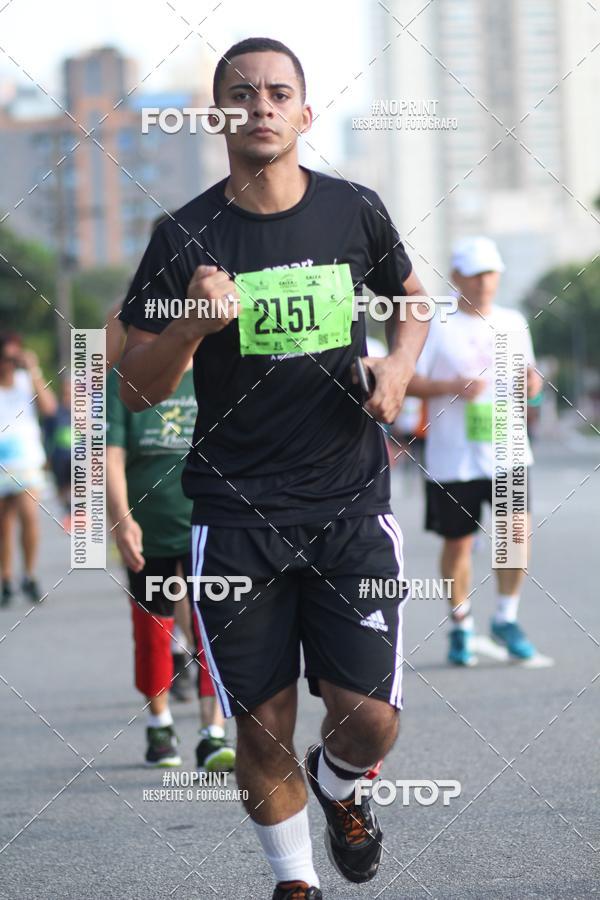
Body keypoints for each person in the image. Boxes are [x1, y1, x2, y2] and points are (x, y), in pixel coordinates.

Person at [118, 37, 428, 900]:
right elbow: (137, 388)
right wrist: (190, 328)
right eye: (242, 93)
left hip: (350, 506)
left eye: (278, 92)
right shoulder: (184, 235)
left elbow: (411, 302)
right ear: (218, 114)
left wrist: (398, 369)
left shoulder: (352, 210)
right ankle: (296, 884)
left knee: (368, 721)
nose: (260, 105)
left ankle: (339, 787)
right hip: (237, 517)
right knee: (261, 728)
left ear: (304, 112)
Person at [407, 236, 544, 666]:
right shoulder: (436, 323)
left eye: (491, 273)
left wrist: (534, 386)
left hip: (507, 448)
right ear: (456, 276)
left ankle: (506, 617)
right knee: (458, 545)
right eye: (476, 274)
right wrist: (451, 387)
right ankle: (461, 623)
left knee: (514, 537)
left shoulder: (513, 321)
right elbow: (407, 380)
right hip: (453, 457)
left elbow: (530, 376)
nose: (485, 282)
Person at [106, 358, 235, 770]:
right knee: (153, 632)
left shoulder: (219, 370)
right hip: (149, 529)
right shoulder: (127, 379)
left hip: (208, 524)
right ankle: (159, 725)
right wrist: (121, 520)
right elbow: (110, 456)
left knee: (211, 628)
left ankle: (212, 734)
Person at [0, 333, 56, 606]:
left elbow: (49, 408)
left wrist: (33, 370)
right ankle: (6, 578)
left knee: (29, 517)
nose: (9, 363)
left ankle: (29, 574)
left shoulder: (26, 381)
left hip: (26, 461)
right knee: (3, 524)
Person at [44, 376, 72, 531]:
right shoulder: (55, 412)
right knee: (62, 488)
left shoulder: (83, 411)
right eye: (66, 392)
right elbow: (47, 436)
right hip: (59, 457)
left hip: (78, 457)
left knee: (77, 487)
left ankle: (78, 514)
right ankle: (68, 513)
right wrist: (47, 457)